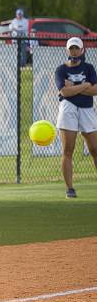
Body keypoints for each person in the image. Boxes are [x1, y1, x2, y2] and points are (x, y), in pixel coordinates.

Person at [54, 37, 97, 199]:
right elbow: (64, 92)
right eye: (71, 48)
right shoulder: (61, 70)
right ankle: (70, 188)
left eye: (76, 48)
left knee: (95, 149)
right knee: (68, 150)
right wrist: (85, 85)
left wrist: (74, 87)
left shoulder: (89, 68)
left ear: (82, 50)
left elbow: (95, 90)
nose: (74, 51)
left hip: (87, 109)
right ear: (67, 50)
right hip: (68, 109)